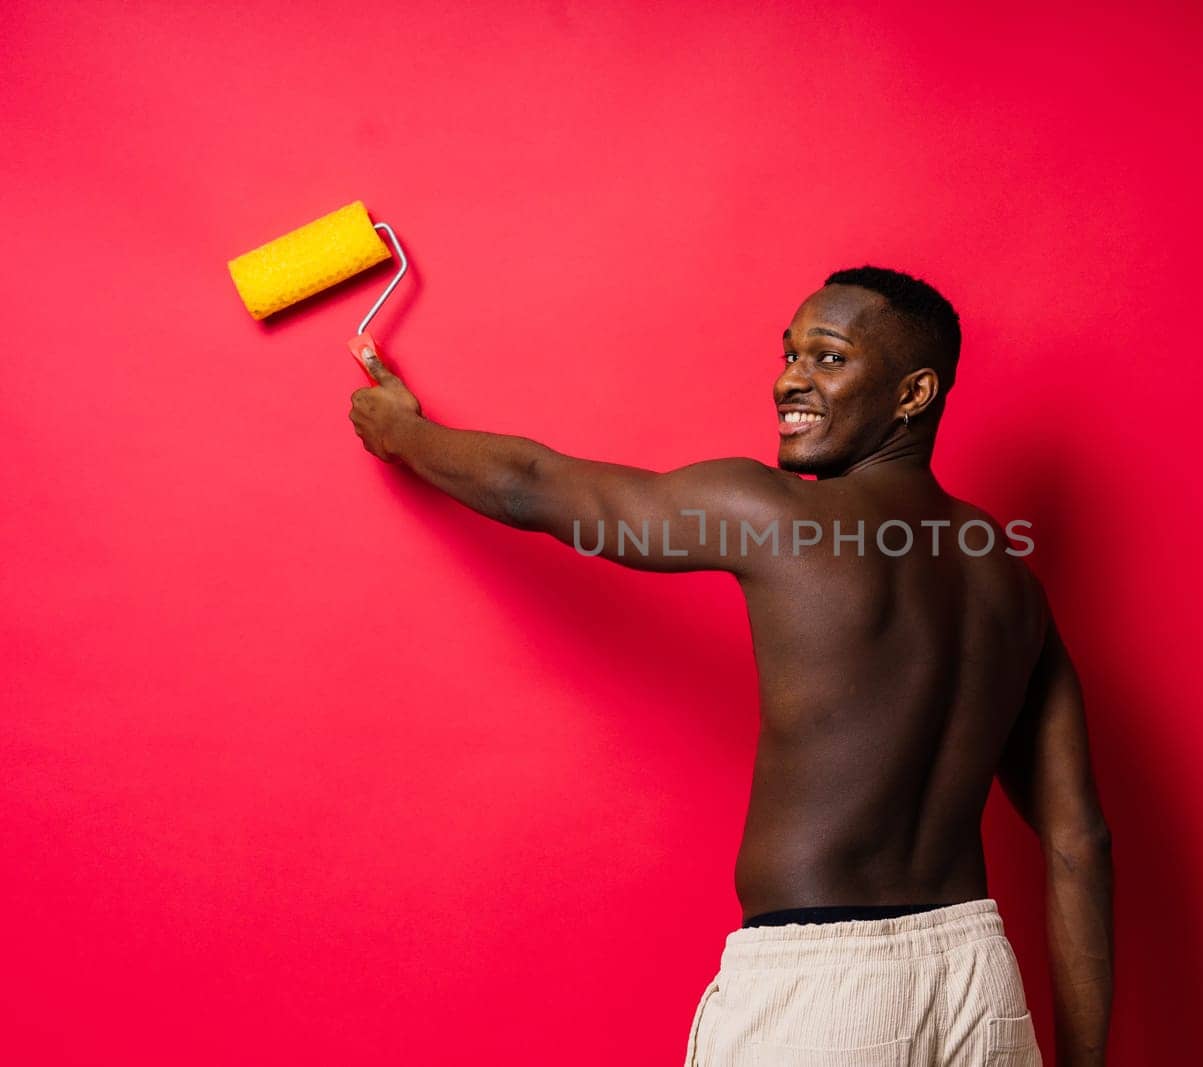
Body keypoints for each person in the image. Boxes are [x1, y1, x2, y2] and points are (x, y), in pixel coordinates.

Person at [348, 266, 1113, 1066]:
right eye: (789, 354)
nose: (790, 378)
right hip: (978, 980)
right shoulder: (1009, 581)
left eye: (828, 358)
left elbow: (535, 485)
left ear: (913, 393)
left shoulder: (775, 514)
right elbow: (1078, 842)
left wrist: (402, 431)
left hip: (821, 989)